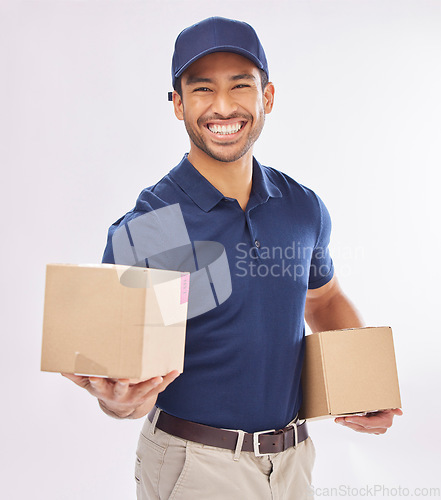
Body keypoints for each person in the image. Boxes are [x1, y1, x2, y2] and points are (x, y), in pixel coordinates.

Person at [63, 16, 403, 500]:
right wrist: (118, 403)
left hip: (293, 461)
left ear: (266, 97)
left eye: (240, 85)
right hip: (195, 466)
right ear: (178, 104)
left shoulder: (301, 206)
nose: (223, 106)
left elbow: (324, 299)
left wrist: (364, 384)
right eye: (202, 89)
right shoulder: (150, 226)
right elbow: (122, 382)